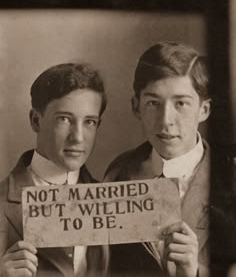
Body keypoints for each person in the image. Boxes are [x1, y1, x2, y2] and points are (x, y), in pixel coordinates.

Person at [104, 41, 212, 277]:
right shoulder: (118, 173)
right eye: (153, 103)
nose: (166, 121)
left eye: (181, 103)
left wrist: (195, 272)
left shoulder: (228, 181)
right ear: (136, 106)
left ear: (204, 110)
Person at [0, 63, 109, 277]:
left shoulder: (114, 203)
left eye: (89, 122)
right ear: (35, 120)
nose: (78, 137)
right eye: (64, 119)